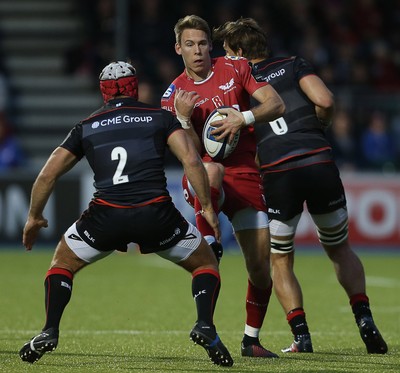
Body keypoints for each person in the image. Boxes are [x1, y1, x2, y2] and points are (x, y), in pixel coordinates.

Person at [19, 61, 233, 367]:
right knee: (206, 264)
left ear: (103, 92)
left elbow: (47, 175)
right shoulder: (160, 117)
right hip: (156, 215)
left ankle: (49, 329)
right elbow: (191, 160)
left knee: (62, 263)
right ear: (135, 86)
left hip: (107, 216)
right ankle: (206, 326)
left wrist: (34, 218)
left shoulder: (86, 126)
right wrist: (208, 208)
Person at [212, 17, 388, 354]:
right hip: (318, 162)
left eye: (227, 53)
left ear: (238, 53)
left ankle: (301, 335)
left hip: (279, 173)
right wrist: (319, 128)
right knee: (339, 248)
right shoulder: (294, 64)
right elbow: (325, 101)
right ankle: (363, 316)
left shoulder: (238, 84)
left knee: (281, 260)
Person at [161, 15, 285, 358]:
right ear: (178, 49)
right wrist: (184, 119)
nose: (197, 50)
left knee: (261, 268)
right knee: (211, 169)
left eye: (202, 43)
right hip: (203, 176)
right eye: (190, 44)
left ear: (209, 45)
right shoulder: (173, 96)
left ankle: (251, 340)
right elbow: (189, 156)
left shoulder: (236, 68)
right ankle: (211, 244)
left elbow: (276, 104)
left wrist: (241, 118)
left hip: (245, 173)